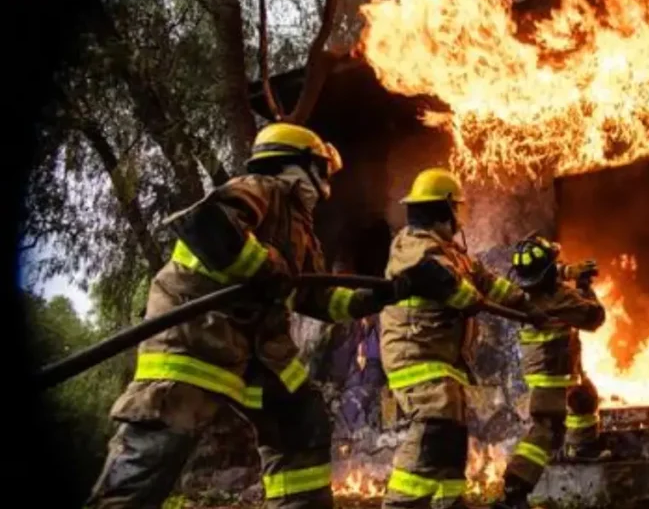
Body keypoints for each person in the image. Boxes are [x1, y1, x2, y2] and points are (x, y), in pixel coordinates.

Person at [87, 123, 389, 509]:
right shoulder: (259, 188)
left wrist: (373, 297)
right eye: (322, 168)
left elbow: (316, 297)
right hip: (198, 337)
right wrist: (267, 266)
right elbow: (209, 226)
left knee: (300, 421)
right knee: (161, 441)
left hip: (260, 350)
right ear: (302, 164)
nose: (327, 180)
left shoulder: (301, 229)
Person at [379, 167, 552, 509]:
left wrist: (525, 302)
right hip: (416, 357)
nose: (460, 217)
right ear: (443, 208)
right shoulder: (412, 245)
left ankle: (449, 502)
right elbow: (439, 280)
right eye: (456, 208)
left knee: (452, 435)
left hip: (442, 359)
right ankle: (401, 503)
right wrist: (467, 297)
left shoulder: (452, 252)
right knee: (434, 427)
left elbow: (486, 281)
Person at [492, 234, 611, 509]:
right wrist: (583, 285)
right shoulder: (560, 298)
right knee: (547, 428)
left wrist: (568, 271)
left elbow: (544, 273)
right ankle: (514, 489)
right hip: (552, 372)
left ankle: (582, 446)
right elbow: (594, 318)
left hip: (556, 366)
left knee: (583, 398)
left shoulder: (521, 291)